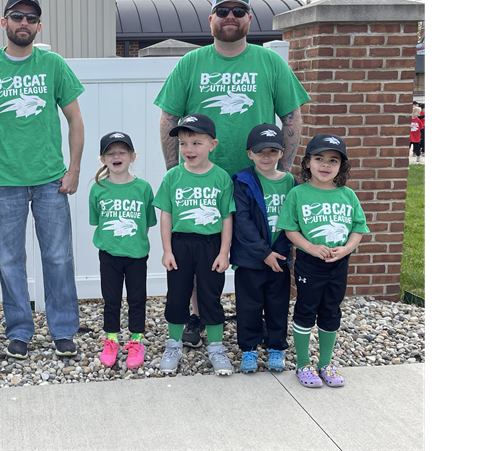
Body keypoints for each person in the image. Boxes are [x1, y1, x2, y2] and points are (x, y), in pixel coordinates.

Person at [154, 0, 310, 348]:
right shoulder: (191, 63)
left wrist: (281, 170)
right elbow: (168, 118)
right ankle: (197, 316)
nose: (230, 17)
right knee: (199, 254)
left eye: (238, 11)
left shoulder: (269, 62)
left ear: (249, 20)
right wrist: (173, 169)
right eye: (223, 11)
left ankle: (255, 321)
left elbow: (291, 116)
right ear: (210, 18)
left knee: (260, 252)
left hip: (256, 182)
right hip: (201, 179)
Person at [0, 0, 86, 359]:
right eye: (17, 17)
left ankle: (63, 329)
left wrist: (74, 169)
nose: (24, 24)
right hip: (5, 182)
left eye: (31, 18)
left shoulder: (53, 64)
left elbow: (75, 119)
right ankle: (19, 330)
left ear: (38, 26)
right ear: (4, 22)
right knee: (9, 260)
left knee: (59, 258)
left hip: (50, 179)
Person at [276, 134, 370, 388]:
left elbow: (358, 228)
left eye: (333, 160)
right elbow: (290, 229)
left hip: (338, 264)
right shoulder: (298, 194)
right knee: (306, 310)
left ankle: (326, 363)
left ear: (342, 166)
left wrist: (347, 249)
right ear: (307, 163)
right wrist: (310, 247)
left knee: (331, 310)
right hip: (310, 262)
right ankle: (303, 364)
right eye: (319, 159)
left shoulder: (347, 195)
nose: (325, 165)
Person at [152, 114, 236, 375]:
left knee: (210, 297)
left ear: (213, 144)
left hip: (210, 245)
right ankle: (173, 344)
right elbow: (166, 215)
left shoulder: (221, 178)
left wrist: (224, 252)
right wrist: (167, 249)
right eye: (184, 143)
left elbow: (226, 217)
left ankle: (216, 348)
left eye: (197, 143)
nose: (189, 149)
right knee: (177, 297)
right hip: (180, 244)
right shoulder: (172, 177)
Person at [231, 124, 297, 374]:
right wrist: (264, 252)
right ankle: (248, 349)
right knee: (248, 306)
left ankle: (277, 347)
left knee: (278, 304)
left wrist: (278, 252)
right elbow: (243, 222)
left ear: (282, 153)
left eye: (273, 151)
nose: (266, 156)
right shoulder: (243, 181)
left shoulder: (291, 182)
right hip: (250, 259)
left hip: (279, 257)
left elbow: (293, 219)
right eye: (260, 152)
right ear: (250, 154)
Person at [89, 132, 157, 370]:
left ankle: (137, 341)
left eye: (122, 152)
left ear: (132, 156)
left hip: (136, 255)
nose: (116, 156)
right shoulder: (98, 189)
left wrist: (134, 242)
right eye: (110, 153)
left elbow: (147, 222)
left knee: (137, 300)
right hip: (109, 254)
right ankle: (111, 340)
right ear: (103, 159)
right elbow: (97, 221)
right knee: (111, 300)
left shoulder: (143, 188)